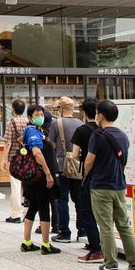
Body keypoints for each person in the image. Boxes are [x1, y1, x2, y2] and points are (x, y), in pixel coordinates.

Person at [86, 99, 135, 270]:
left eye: (97, 112)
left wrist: (87, 174)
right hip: (119, 184)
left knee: (106, 226)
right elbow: (123, 160)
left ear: (100, 115)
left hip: (101, 185)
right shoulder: (123, 136)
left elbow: (89, 161)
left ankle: (110, 262)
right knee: (124, 224)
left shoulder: (97, 135)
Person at [18, 104, 61, 255]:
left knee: (34, 207)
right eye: (36, 115)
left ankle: (27, 242)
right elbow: (37, 153)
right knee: (44, 207)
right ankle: (46, 244)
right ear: (30, 117)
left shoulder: (36, 131)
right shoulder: (33, 132)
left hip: (34, 177)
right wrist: (48, 174)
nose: (40, 117)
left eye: (41, 114)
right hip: (40, 177)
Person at [69, 98, 103, 263]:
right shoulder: (104, 129)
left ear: (83, 111)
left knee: (86, 212)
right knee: (104, 214)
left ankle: (95, 248)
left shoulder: (81, 130)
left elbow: (75, 155)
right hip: (106, 174)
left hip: (89, 175)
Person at [49, 97, 83, 242]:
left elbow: (51, 144)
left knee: (62, 199)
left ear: (61, 109)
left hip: (62, 166)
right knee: (79, 200)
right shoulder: (81, 124)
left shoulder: (57, 123)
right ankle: (82, 231)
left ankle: (64, 232)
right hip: (77, 166)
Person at [1, 99, 30, 223]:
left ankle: (15, 214)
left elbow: (7, 143)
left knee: (16, 185)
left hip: (14, 158)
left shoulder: (10, 123)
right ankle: (27, 212)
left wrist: (4, 158)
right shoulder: (29, 122)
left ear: (13, 109)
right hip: (28, 158)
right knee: (27, 185)